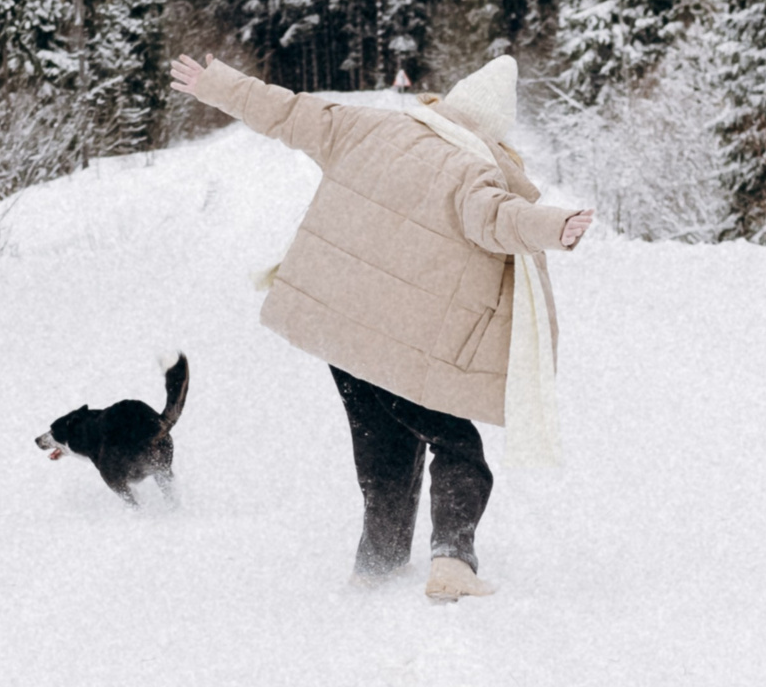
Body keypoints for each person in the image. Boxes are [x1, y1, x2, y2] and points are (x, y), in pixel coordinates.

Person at [168, 51, 592, 603]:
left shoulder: (370, 127)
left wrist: (217, 83)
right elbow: (498, 219)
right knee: (459, 448)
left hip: (341, 335)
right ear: (493, 133)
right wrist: (554, 226)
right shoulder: (476, 170)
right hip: (407, 348)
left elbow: (288, 112)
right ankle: (452, 562)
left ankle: (377, 563)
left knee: (383, 450)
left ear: (447, 104)